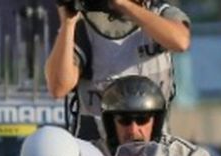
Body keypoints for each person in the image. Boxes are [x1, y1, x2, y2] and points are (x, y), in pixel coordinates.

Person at [46, 0, 191, 140]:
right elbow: (58, 87)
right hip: (98, 147)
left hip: (153, 143)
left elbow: (180, 41)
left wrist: (123, 4)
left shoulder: (160, 13)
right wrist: (68, 24)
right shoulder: (84, 23)